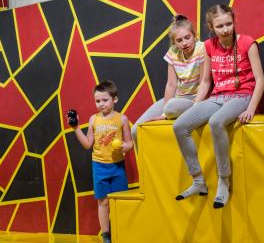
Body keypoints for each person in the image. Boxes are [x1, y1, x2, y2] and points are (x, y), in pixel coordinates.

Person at [172, 4, 264, 209]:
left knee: (216, 122)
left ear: (234, 21)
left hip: (242, 95)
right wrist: (196, 106)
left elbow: (260, 80)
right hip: (218, 96)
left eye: (228, 24)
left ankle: (223, 180)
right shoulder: (208, 46)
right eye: (220, 26)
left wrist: (251, 108)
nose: (225, 29)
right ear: (211, 27)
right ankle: (198, 180)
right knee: (180, 126)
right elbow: (206, 81)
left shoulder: (247, 43)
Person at [69, 80, 133, 243]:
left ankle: (121, 232)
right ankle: (106, 235)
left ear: (115, 99)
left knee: (119, 202)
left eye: (105, 100)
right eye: (98, 101)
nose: (101, 104)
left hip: (117, 166)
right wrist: (76, 128)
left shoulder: (122, 119)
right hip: (99, 166)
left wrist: (124, 146)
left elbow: (130, 144)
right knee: (103, 202)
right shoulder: (93, 119)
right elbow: (87, 144)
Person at [131, 15, 205, 148]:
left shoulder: (202, 48)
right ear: (174, 42)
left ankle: (170, 110)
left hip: (196, 99)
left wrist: (195, 107)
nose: (184, 43)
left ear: (194, 35)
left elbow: (204, 82)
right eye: (179, 40)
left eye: (187, 37)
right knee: (136, 130)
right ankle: (148, 162)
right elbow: (171, 84)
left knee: (171, 106)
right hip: (177, 98)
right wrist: (164, 113)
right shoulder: (173, 52)